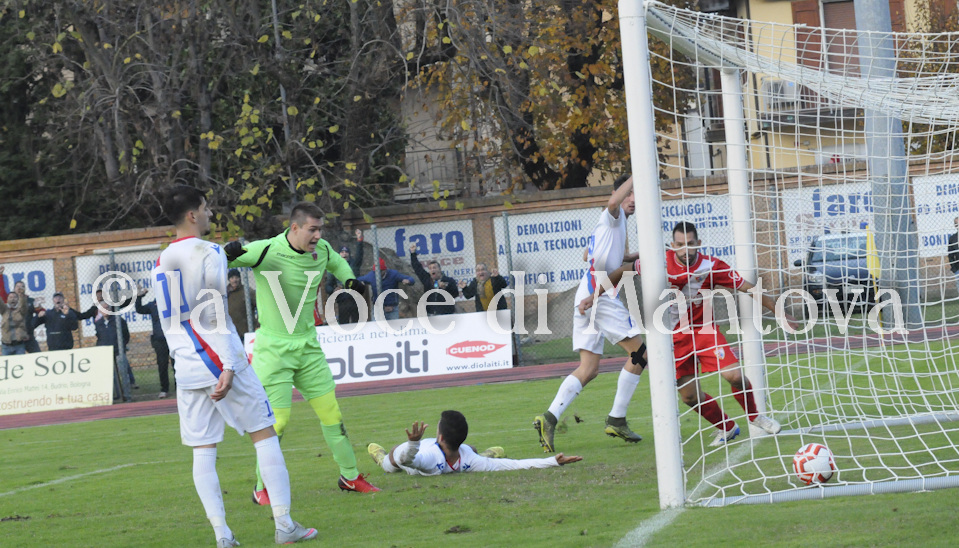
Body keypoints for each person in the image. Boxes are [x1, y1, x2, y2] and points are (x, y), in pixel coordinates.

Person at [155, 185, 317, 548]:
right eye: (206, 208)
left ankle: (222, 534)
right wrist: (229, 365)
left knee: (203, 449)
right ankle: (284, 524)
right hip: (217, 358)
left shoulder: (161, 260)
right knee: (264, 433)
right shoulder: (209, 251)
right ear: (192, 215)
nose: (210, 213)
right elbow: (213, 311)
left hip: (186, 366)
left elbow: (171, 318)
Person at [225, 202, 381, 502]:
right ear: (294, 228)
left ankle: (350, 477)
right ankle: (261, 488)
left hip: (309, 348)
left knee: (332, 414)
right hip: (274, 350)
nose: (318, 235)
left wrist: (349, 280)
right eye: (313, 229)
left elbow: (337, 263)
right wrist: (229, 253)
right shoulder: (267, 250)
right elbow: (229, 258)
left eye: (320, 229)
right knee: (278, 422)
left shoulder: (321, 249)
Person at [589, 220, 797, 446]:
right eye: (680, 245)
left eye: (690, 244)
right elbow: (622, 271)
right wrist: (594, 296)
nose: (685, 249)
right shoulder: (659, 263)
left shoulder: (712, 265)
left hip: (704, 332)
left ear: (698, 243)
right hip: (673, 339)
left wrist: (779, 312)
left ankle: (755, 416)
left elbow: (748, 287)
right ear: (672, 245)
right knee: (689, 396)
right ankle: (726, 427)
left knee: (735, 376)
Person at [533, 174, 645, 453]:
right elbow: (613, 203)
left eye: (636, 194)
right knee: (640, 354)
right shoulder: (613, 215)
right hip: (599, 296)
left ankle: (549, 418)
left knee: (589, 368)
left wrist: (629, 257)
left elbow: (588, 254)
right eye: (629, 193)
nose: (632, 199)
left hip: (588, 293)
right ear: (618, 193)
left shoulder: (611, 225)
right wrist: (637, 173)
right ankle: (617, 418)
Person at [368, 410, 582, 477]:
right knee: (395, 458)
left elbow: (513, 464)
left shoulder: (455, 456)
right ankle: (382, 459)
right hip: (416, 452)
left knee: (472, 451)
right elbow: (408, 460)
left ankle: (485, 455)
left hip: (421, 449)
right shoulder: (433, 457)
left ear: (440, 438)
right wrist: (413, 445)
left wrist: (552, 461)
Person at [85, 288, 135, 399]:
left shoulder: (119, 320)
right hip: (105, 353)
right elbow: (99, 336)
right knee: (109, 375)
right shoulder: (98, 323)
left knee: (123, 373)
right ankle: (114, 396)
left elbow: (126, 335)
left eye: (107, 308)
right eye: (103, 308)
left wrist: (121, 345)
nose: (105, 310)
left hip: (118, 351)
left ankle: (127, 396)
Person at [135, 287, 173, 398]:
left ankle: (180, 387)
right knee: (162, 365)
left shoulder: (172, 303)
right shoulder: (153, 305)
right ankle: (164, 389)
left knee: (177, 363)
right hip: (159, 340)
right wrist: (139, 297)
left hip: (173, 338)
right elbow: (139, 309)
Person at [325, 229, 366, 325]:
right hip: (342, 300)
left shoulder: (354, 265)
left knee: (357, 323)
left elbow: (359, 255)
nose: (344, 254)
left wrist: (359, 240)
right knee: (344, 324)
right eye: (342, 252)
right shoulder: (334, 268)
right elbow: (328, 285)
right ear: (339, 255)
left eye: (346, 252)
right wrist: (333, 290)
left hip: (355, 299)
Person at [409, 245, 460, 316]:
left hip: (447, 314)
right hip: (431, 313)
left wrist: (446, 288)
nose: (432, 270)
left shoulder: (449, 280)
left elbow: (455, 294)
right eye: (430, 268)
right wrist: (413, 253)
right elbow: (417, 267)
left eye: (434, 268)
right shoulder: (427, 279)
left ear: (440, 269)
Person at [0, 271, 43, 353]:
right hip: (15, 340)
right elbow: (1, 291)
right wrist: (0, 276)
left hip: (28, 336)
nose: (20, 288)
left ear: (25, 289)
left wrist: (41, 312)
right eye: (18, 286)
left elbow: (40, 310)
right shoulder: (9, 300)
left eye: (22, 286)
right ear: (14, 288)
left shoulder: (30, 301)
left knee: (37, 354)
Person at [227, 269, 257, 341]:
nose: (234, 280)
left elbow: (260, 306)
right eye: (232, 278)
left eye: (236, 277)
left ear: (240, 278)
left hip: (247, 330)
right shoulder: (226, 293)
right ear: (229, 280)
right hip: (232, 331)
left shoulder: (248, 291)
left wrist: (258, 324)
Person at [0, 290, 31, 355]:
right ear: (7, 299)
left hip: (19, 345)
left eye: (15, 297)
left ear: (17, 299)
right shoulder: (4, 310)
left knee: (20, 360)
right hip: (6, 345)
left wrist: (22, 296)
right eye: (10, 297)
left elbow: (24, 305)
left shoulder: (21, 311)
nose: (13, 299)